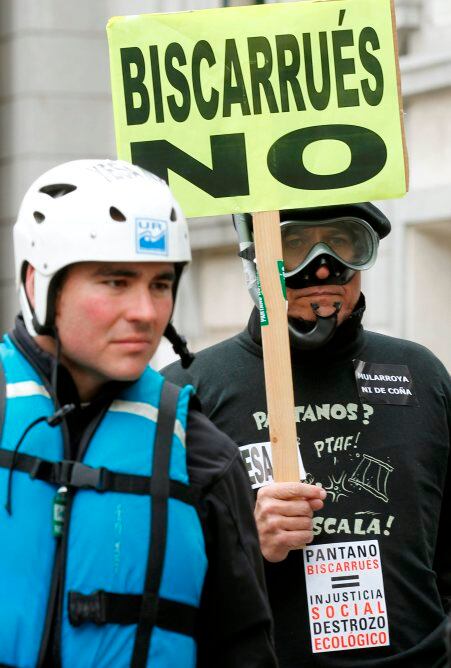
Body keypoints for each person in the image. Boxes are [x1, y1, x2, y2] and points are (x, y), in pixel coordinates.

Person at [0, 159, 278, 668]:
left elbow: (244, 649)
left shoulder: (203, 455)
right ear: (38, 282)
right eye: (116, 282)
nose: (147, 313)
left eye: (160, 284)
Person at [163, 203, 451, 667]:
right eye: (293, 244)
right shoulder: (187, 391)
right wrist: (245, 546)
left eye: (342, 242)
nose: (321, 265)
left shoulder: (420, 375)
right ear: (257, 259)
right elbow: (152, 578)